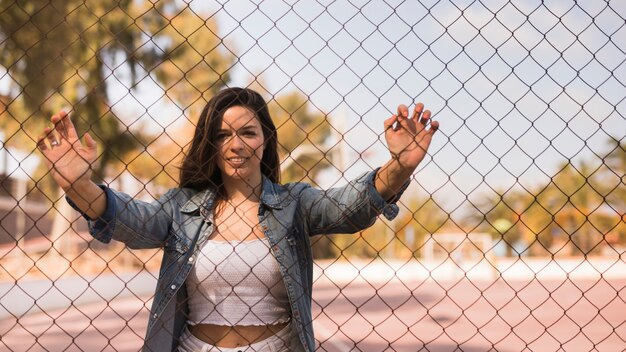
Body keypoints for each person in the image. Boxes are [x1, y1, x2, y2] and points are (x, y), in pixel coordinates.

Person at [37, 87, 439, 352]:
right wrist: (78, 186)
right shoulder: (182, 207)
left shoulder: (294, 203)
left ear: (265, 139)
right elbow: (130, 219)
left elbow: (351, 207)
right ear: (210, 144)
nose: (235, 145)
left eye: (247, 133)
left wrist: (398, 167)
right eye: (222, 134)